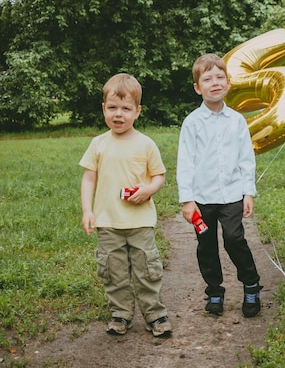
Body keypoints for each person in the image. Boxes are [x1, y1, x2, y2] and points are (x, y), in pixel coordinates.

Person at [80, 73, 172, 337]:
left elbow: (159, 176)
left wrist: (148, 189)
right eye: (112, 108)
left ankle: (155, 314)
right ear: (103, 109)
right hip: (108, 221)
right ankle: (120, 313)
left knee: (147, 270)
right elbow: (88, 178)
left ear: (137, 111)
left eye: (125, 109)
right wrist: (88, 210)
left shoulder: (146, 144)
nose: (118, 114)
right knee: (113, 271)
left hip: (139, 221)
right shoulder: (98, 144)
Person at [177, 53, 262, 318]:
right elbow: (185, 163)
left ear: (227, 83)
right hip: (202, 197)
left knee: (234, 239)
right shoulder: (192, 123)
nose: (215, 83)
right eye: (207, 79)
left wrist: (248, 192)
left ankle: (251, 285)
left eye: (220, 77)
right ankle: (214, 291)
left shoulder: (237, 121)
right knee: (206, 244)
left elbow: (246, 159)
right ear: (197, 87)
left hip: (232, 194)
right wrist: (187, 199)